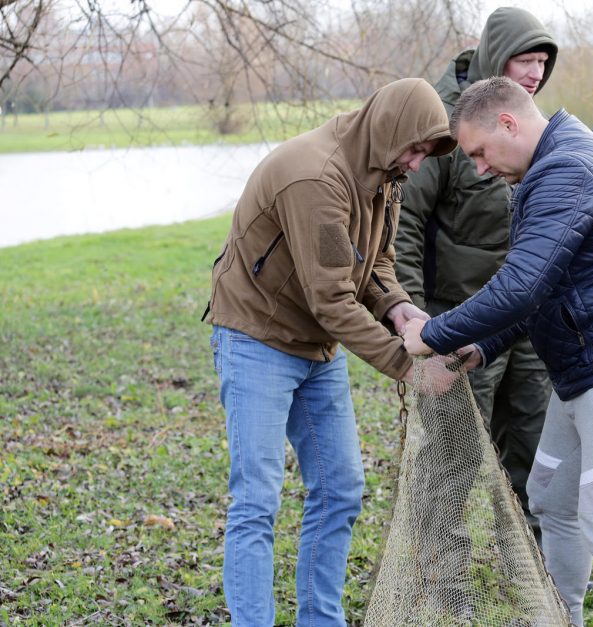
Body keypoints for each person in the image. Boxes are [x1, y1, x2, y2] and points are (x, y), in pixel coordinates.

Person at [402, 76, 593, 627]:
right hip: (584, 372)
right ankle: (563, 618)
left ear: (509, 123)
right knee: (552, 497)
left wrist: (432, 334)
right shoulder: (546, 169)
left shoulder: (568, 169)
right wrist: (481, 348)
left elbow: (521, 285)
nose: (480, 168)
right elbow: (544, 291)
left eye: (481, 152)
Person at [202, 77, 456, 626]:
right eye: (416, 149)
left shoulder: (385, 173)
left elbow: (375, 263)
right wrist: (407, 365)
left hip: (316, 346)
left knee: (340, 488)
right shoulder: (316, 178)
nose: (417, 164)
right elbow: (332, 300)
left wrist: (397, 308)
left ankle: (321, 619)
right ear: (391, 132)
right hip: (257, 339)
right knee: (257, 502)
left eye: (425, 154)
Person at [395, 5, 557, 536]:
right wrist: (417, 327)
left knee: (533, 442)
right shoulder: (443, 127)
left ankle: (534, 564)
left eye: (543, 63)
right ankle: (440, 568)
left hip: (528, 322)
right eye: (525, 60)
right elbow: (405, 229)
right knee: (455, 452)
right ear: (495, 58)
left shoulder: (530, 126)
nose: (535, 72)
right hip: (460, 321)